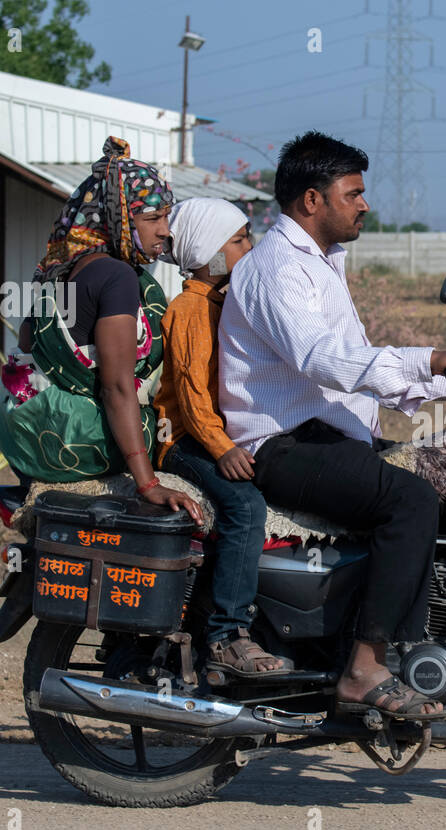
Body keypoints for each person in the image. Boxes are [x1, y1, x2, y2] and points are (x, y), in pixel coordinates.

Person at [218, 131, 446, 720]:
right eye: (354, 193)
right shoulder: (277, 270)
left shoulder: (322, 264)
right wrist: (428, 359)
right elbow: (324, 359)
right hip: (283, 446)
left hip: (325, 436)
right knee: (411, 502)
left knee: (442, 485)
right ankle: (364, 671)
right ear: (312, 200)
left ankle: (408, 648)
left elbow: (352, 364)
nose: (364, 204)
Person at [0, 136, 200, 523]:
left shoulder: (63, 264)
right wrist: (148, 484)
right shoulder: (117, 276)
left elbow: (27, 342)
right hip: (72, 442)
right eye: (152, 218)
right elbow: (116, 386)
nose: (165, 232)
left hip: (23, 432)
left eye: (167, 218)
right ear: (118, 217)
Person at [153, 198, 282, 674]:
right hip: (184, 439)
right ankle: (228, 634)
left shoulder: (222, 302)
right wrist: (222, 449)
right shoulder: (189, 309)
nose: (250, 246)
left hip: (212, 433)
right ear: (209, 254)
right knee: (245, 506)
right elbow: (190, 396)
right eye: (239, 239)